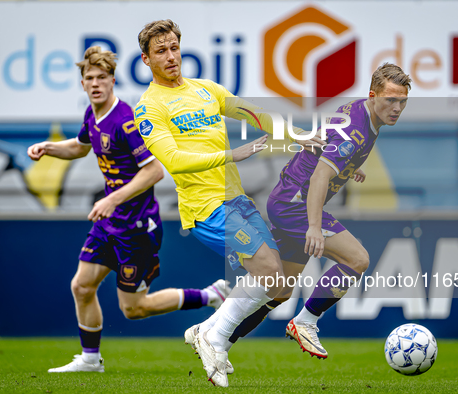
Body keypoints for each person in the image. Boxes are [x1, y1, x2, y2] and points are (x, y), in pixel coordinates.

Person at [134, 20, 324, 387]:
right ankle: (214, 337)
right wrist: (230, 155)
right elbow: (172, 160)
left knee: (282, 286)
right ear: (146, 59)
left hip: (238, 200)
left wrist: (299, 135)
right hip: (205, 207)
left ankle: (206, 327)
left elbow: (255, 114)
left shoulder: (207, 91)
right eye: (161, 51)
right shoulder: (148, 108)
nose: (171, 55)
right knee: (269, 270)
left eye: (174, 47)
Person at [27, 46, 231, 373]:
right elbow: (81, 146)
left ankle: (210, 295)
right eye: (89, 78)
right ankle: (90, 360)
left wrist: (111, 199)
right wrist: (50, 148)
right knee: (81, 286)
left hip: (136, 227)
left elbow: (153, 172)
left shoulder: (126, 120)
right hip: (109, 224)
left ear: (112, 81)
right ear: (82, 84)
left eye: (102, 77)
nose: (95, 83)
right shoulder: (92, 116)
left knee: (133, 309)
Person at [227, 63, 412, 359]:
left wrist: (350, 166)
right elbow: (319, 177)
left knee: (279, 292)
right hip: (294, 205)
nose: (397, 107)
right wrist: (314, 226)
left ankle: (218, 339)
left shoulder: (363, 114)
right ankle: (305, 321)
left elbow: (330, 144)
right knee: (357, 259)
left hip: (287, 199)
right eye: (391, 99)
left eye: (403, 101)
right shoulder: (355, 129)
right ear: (373, 95)